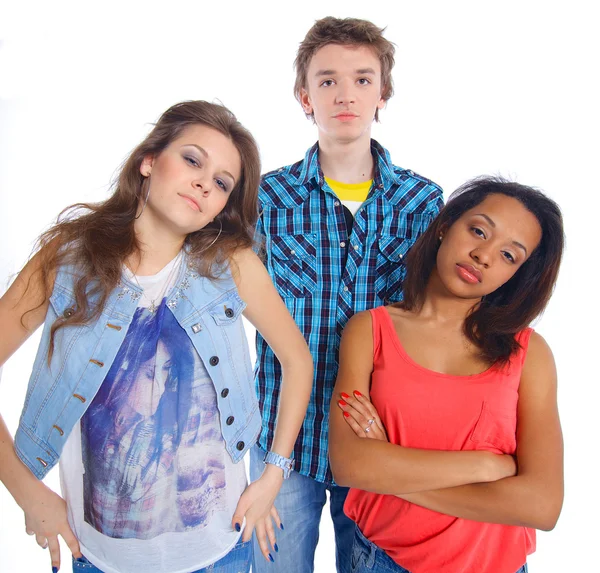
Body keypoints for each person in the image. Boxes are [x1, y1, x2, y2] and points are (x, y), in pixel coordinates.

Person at [0, 100, 313, 573]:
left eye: (223, 183)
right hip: (99, 559)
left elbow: (297, 360)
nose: (206, 182)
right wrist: (28, 494)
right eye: (193, 160)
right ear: (149, 161)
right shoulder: (65, 260)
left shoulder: (233, 266)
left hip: (221, 554)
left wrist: (273, 474)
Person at [251, 16, 443, 573]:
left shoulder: (420, 201)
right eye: (327, 79)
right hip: (282, 438)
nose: (345, 94)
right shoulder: (269, 198)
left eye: (362, 79)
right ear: (303, 96)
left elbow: (433, 317)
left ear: (383, 93)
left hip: (380, 438)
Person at [329, 177, 564, 573]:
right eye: (478, 231)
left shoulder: (529, 353)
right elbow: (351, 465)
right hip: (380, 561)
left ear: (517, 275)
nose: (483, 255)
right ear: (444, 226)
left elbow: (541, 506)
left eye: (509, 255)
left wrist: (391, 473)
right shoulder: (369, 331)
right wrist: (487, 467)